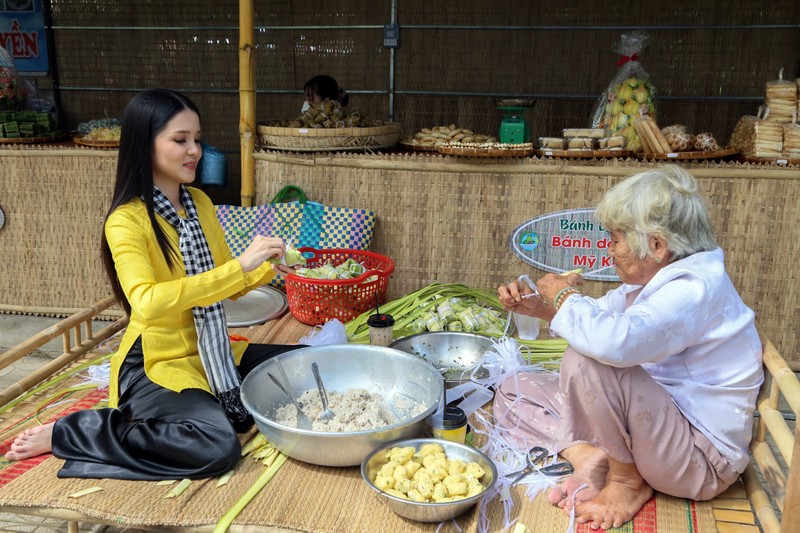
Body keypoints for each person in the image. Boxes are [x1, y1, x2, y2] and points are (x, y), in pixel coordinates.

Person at [5, 89, 303, 480]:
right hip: (155, 359)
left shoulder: (200, 203)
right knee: (217, 445)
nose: (194, 149)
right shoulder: (126, 221)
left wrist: (266, 268)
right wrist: (239, 266)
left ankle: (210, 392)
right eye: (180, 140)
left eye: (197, 138)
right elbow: (146, 303)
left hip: (207, 346)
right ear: (144, 145)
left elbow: (224, 287)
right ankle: (75, 430)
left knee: (300, 367)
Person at [495, 165, 763, 530]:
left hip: (697, 460)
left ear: (656, 244)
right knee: (514, 389)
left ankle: (625, 481)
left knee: (587, 361)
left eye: (616, 239)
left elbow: (611, 343)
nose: (610, 250)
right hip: (653, 436)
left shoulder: (694, 288)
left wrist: (566, 294)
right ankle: (594, 458)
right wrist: (542, 307)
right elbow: (603, 316)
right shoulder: (659, 278)